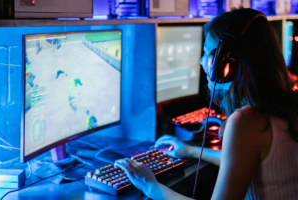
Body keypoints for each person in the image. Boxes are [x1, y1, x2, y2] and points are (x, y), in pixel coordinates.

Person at [115, 8, 298, 200]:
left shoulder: (247, 122)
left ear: (226, 62)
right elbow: (243, 161)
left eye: (207, 53)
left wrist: (150, 186)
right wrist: (191, 150)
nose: (202, 62)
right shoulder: (285, 104)